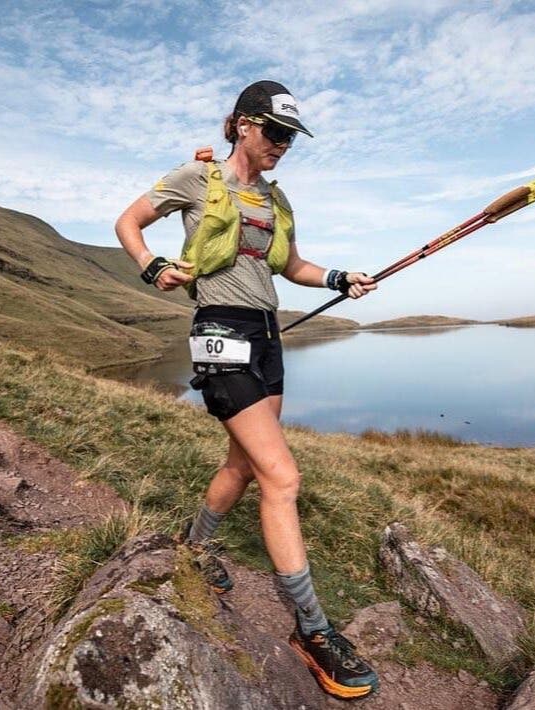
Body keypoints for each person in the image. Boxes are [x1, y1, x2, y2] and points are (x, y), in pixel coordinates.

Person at [115, 80, 379, 700]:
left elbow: (291, 267)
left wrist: (342, 277)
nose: (284, 145)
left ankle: (193, 547)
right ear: (240, 124)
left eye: (291, 137)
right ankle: (311, 631)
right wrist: (152, 266)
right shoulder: (196, 179)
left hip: (267, 335)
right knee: (282, 477)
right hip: (219, 334)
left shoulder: (277, 202)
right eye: (274, 132)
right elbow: (129, 222)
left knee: (244, 461)